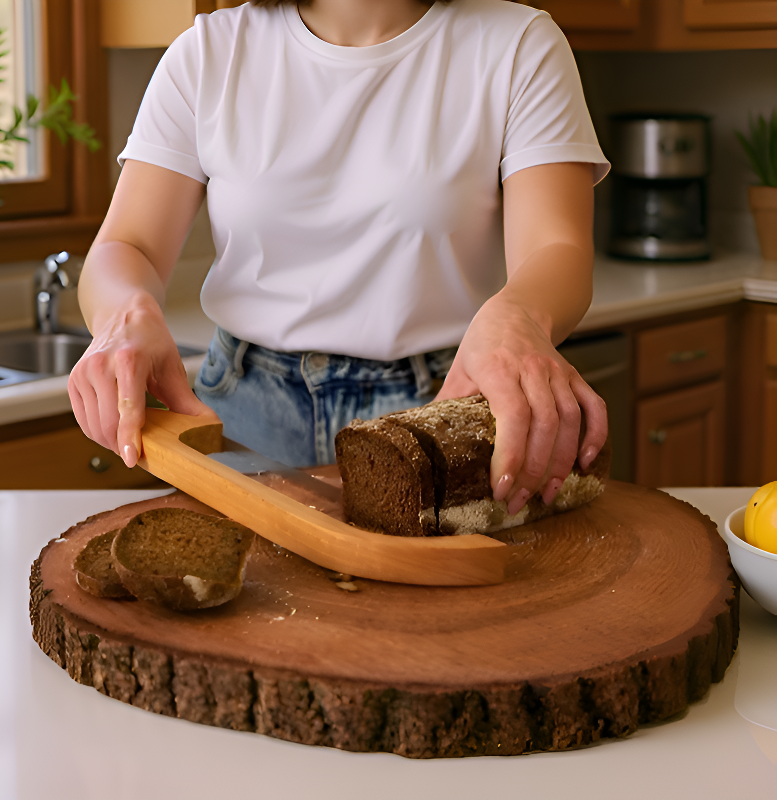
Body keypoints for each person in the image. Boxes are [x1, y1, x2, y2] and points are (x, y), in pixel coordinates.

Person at [69, 0, 610, 519]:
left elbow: (556, 248)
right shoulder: (209, 53)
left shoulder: (519, 44)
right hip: (243, 408)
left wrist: (518, 316)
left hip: (440, 406)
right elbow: (128, 246)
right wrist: (127, 315)